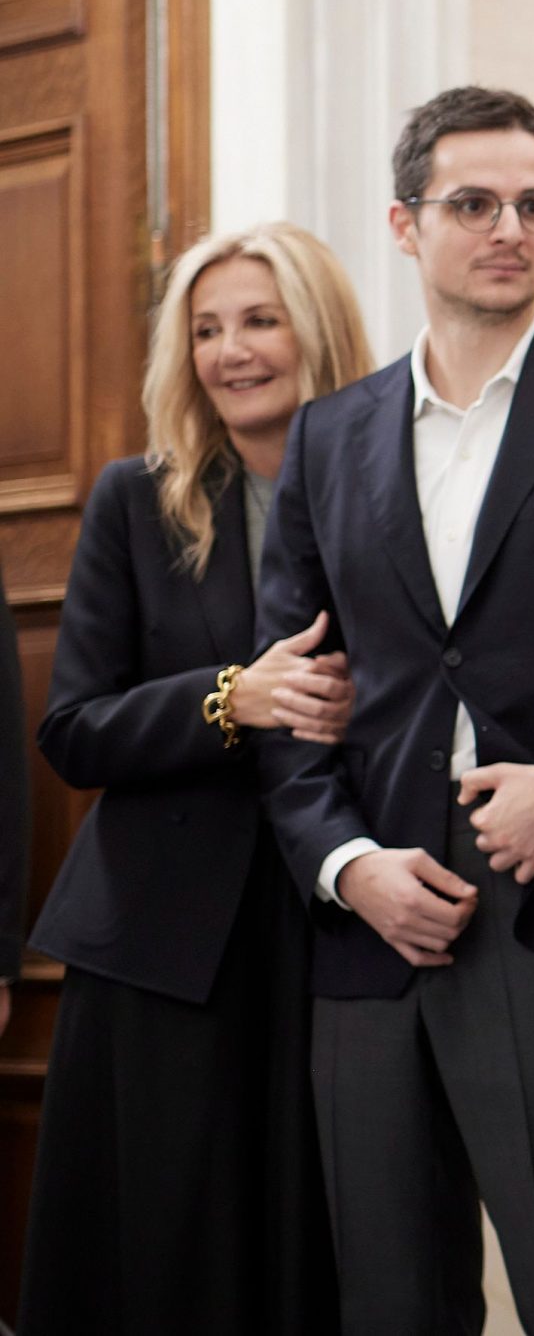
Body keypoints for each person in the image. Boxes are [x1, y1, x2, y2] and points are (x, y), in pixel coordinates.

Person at [256, 87, 534, 1336]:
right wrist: (345, 865)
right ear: (406, 225)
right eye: (473, 203)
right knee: (391, 1301)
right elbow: (288, 686)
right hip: (371, 918)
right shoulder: (327, 435)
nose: (508, 227)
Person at [23, 222, 370, 1336]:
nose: (232, 351)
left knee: (314, 1247)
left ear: (316, 331)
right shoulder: (137, 497)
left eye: (259, 320)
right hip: (164, 947)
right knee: (164, 1254)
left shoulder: (390, 487)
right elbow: (74, 728)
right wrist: (232, 696)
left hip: (335, 931)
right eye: (207, 329)